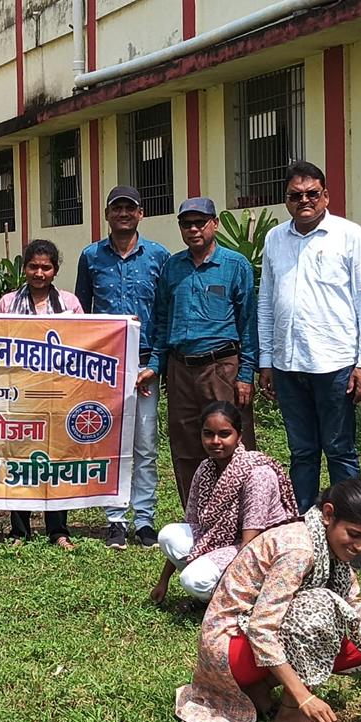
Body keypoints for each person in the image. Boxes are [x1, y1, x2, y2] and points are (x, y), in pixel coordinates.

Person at [176, 478, 361, 722]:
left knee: (357, 645)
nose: (359, 547)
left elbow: (351, 603)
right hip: (229, 647)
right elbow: (262, 628)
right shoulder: (300, 548)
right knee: (319, 608)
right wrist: (304, 697)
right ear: (327, 515)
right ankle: (291, 719)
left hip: (248, 645)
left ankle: (260, 688)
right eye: (354, 534)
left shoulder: (328, 547)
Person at [256, 160, 361, 510]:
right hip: (287, 365)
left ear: (326, 196)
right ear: (286, 200)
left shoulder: (350, 235)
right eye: (295, 195)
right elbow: (266, 301)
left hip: (336, 364)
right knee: (302, 451)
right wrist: (266, 360)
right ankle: (304, 524)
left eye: (312, 193)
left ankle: (350, 524)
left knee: (340, 449)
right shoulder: (275, 238)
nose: (304, 201)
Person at [75, 184, 170, 549]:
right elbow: (82, 312)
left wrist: (157, 362)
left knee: (146, 443)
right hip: (106, 365)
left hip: (145, 362)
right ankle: (115, 518)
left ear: (141, 214)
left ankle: (144, 519)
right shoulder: (91, 256)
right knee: (110, 442)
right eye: (117, 209)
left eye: (131, 209)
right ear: (107, 214)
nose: (124, 214)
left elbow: (164, 314)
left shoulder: (158, 257)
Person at [146, 196, 258, 506]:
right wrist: (157, 363)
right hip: (180, 370)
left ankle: (238, 514)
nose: (193, 229)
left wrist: (246, 372)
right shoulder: (172, 267)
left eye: (200, 222)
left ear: (215, 224)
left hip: (221, 367)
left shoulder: (235, 266)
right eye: (186, 224)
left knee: (232, 442)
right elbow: (162, 320)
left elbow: (249, 322)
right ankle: (195, 517)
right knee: (185, 446)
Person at [151, 400, 295, 604]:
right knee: (168, 535)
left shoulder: (257, 474)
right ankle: (217, 592)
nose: (215, 441)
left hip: (260, 552)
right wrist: (163, 581)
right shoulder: (206, 469)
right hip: (223, 541)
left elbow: (250, 545)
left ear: (239, 436)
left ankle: (246, 600)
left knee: (192, 579)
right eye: (208, 434)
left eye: (224, 434)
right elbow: (192, 524)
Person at [0, 238, 83, 550]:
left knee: (57, 459)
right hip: (19, 392)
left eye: (46, 267)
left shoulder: (71, 304)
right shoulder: (7, 303)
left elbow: (84, 343)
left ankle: (58, 530)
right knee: (19, 459)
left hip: (58, 393)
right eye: (33, 266)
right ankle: (20, 531)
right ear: (24, 269)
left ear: (55, 270)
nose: (39, 272)